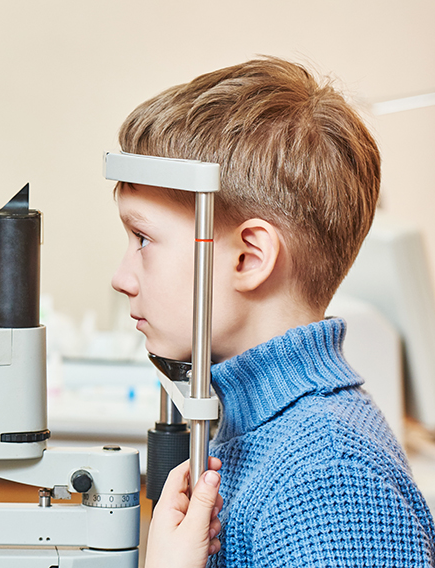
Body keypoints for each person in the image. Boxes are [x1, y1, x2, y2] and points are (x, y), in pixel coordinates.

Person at [111, 57, 435, 567]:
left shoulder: (329, 482)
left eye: (143, 238)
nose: (122, 277)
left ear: (249, 258)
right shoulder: (255, 432)